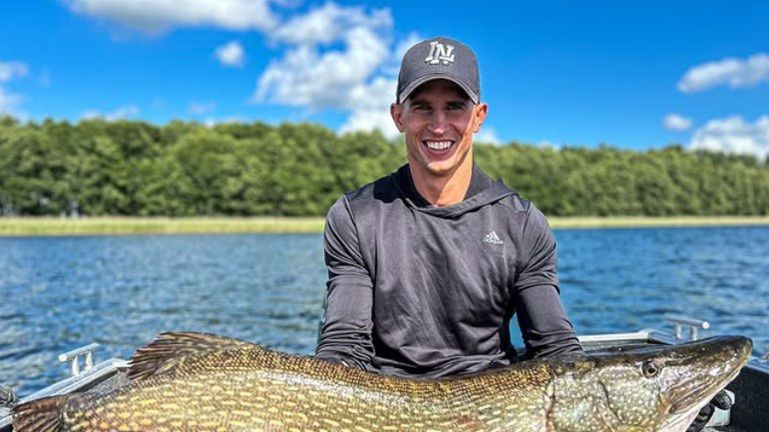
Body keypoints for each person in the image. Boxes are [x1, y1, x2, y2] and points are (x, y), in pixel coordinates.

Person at [314, 35, 716, 432]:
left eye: (455, 106)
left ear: (478, 116)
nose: (439, 125)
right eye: (422, 107)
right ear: (399, 115)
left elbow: (554, 347)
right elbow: (344, 346)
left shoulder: (521, 223)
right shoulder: (357, 215)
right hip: (385, 406)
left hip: (498, 411)